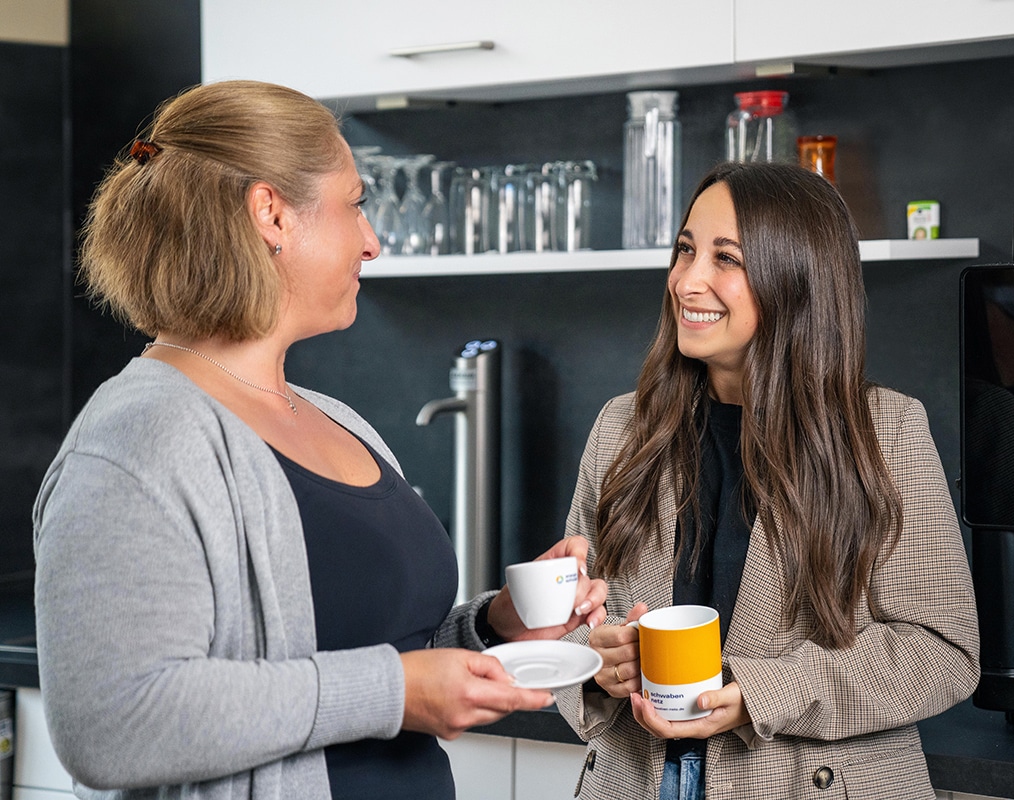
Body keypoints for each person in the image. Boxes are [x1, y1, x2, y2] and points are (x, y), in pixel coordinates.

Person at [31, 80, 607, 800]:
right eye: (355, 203)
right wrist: (394, 690)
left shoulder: (333, 419)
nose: (372, 240)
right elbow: (109, 726)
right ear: (271, 213)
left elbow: (381, 657)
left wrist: (495, 628)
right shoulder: (139, 438)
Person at [553, 162, 980, 800]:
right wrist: (595, 665)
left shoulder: (883, 432)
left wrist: (757, 692)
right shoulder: (622, 428)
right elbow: (566, 623)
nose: (688, 281)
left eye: (728, 259)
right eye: (685, 250)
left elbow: (943, 653)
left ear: (798, 280)